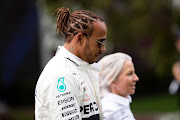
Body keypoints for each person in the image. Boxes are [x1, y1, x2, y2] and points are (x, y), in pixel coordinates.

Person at [35, 7, 107, 120]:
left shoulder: (81, 68)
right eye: (100, 42)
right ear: (79, 39)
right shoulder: (61, 74)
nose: (103, 49)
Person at [98, 53, 139, 120]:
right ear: (111, 79)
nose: (136, 78)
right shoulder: (109, 111)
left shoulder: (121, 104)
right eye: (129, 74)